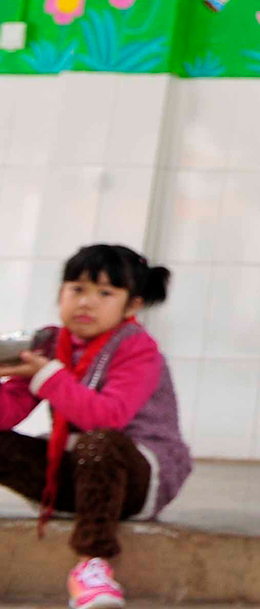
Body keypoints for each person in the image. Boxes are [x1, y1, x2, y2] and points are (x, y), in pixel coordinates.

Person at [0, 244, 191, 609]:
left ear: (132, 305)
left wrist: (47, 375)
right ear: (60, 293)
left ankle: (93, 566)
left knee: (100, 442)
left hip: (136, 478)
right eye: (77, 289)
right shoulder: (49, 342)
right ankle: (80, 512)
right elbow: (11, 411)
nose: (86, 303)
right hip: (72, 473)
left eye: (105, 293)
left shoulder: (139, 348)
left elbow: (108, 418)